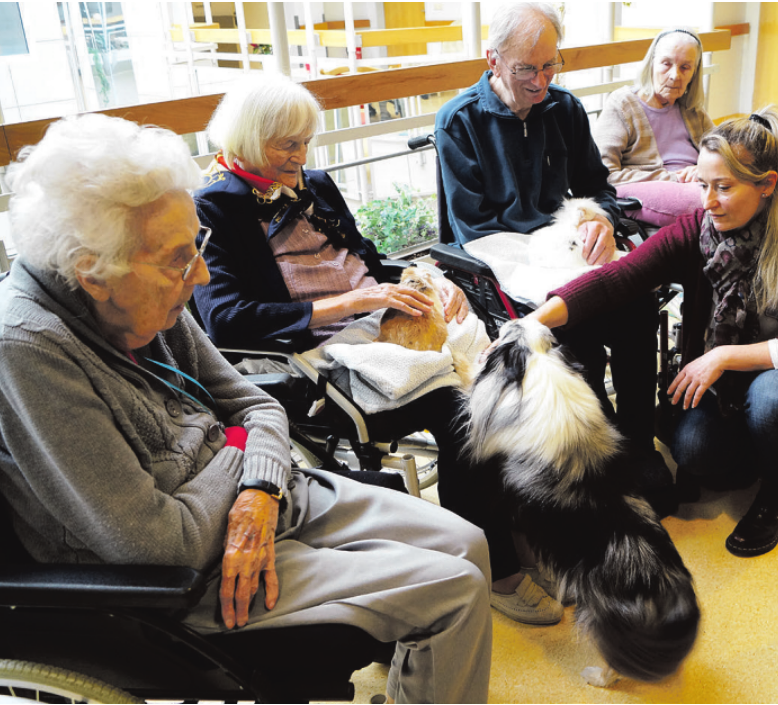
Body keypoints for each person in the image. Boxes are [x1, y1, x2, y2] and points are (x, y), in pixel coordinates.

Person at [0, 113, 491, 703]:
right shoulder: (30, 349)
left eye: (197, 248)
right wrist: (243, 453)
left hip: (268, 498)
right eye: (182, 260)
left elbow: (257, 405)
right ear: (92, 272)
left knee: (470, 544)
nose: (200, 275)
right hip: (195, 578)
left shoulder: (145, 293)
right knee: (455, 589)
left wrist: (257, 485)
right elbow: (161, 543)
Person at [191, 74, 563, 626]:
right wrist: (347, 303)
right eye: (287, 144)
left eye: (305, 140)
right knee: (461, 411)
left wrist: (431, 280)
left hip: (378, 322)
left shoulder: (311, 182)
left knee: (513, 378)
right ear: (247, 139)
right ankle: (497, 566)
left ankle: (519, 528)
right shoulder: (212, 207)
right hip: (317, 353)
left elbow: (367, 258)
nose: (302, 155)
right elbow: (225, 321)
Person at [526, 107, 778, 558]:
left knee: (772, 400)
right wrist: (529, 323)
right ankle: (770, 452)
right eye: (702, 185)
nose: (708, 201)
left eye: (723, 187)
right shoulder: (699, 229)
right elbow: (620, 278)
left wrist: (720, 357)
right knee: (697, 453)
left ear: (767, 185)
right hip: (731, 386)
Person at [434, 1, 676, 516]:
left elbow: (598, 188)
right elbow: (474, 229)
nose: (541, 80)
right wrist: (557, 251)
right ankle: (603, 452)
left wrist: (601, 223)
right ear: (493, 59)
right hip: (509, 264)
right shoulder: (459, 122)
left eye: (550, 65)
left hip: (569, 254)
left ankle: (637, 442)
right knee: (579, 328)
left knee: (638, 305)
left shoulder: (563, 108)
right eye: (527, 68)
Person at [594, 28, 715, 227]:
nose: (675, 75)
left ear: (694, 73)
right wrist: (674, 178)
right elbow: (604, 173)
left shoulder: (691, 109)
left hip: (698, 183)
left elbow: (724, 150)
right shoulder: (622, 104)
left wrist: (702, 169)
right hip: (659, 188)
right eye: (666, 64)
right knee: (710, 200)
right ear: (651, 64)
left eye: (685, 67)